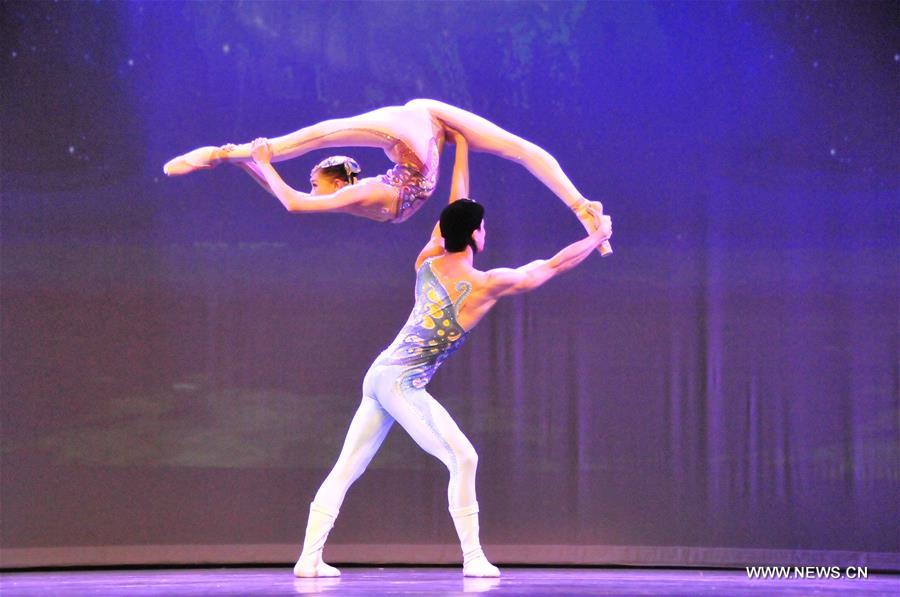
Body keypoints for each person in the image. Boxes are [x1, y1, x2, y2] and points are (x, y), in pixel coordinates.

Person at [292, 132, 613, 578]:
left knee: (348, 467)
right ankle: (474, 558)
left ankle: (308, 560)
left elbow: (454, 208)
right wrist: (597, 234)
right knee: (463, 458)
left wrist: (462, 148)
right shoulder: (483, 286)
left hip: (380, 376)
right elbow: (552, 265)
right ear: (477, 234)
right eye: (482, 226)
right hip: (400, 382)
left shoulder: (428, 259)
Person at [164, 99, 611, 254]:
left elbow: (296, 201)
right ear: (340, 182)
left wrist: (254, 162)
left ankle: (221, 153)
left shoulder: (359, 193)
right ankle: (580, 206)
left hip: (415, 141)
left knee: (315, 137)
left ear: (339, 185)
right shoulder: (355, 194)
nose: (313, 186)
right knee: (315, 138)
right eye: (318, 182)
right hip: (424, 136)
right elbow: (297, 197)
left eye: (317, 182)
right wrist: (255, 165)